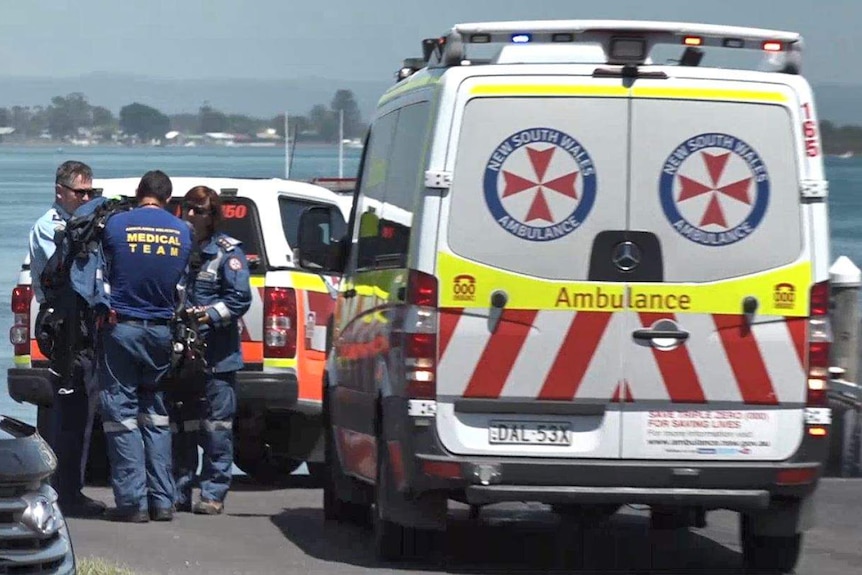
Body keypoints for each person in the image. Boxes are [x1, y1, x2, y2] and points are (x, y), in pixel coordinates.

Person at [97, 170, 192, 522]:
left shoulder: (117, 225)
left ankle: (133, 503)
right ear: (168, 198)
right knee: (156, 415)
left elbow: (101, 272)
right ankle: (163, 501)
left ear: (140, 194)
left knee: (121, 417)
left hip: (122, 328)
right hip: (161, 332)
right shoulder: (182, 231)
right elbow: (183, 284)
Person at [28, 160, 106, 517]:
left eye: (92, 192)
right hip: (65, 326)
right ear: (60, 191)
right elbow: (66, 274)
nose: (87, 198)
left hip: (88, 327)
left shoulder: (86, 225)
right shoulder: (51, 226)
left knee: (85, 412)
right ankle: (66, 494)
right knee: (71, 413)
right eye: (81, 192)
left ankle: (72, 489)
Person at [173, 186, 251, 515]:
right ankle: (179, 491)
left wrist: (208, 314)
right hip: (182, 358)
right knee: (182, 426)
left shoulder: (228, 253)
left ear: (212, 215)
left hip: (218, 357)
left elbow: (239, 300)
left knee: (217, 428)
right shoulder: (176, 250)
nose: (191, 215)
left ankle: (214, 492)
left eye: (199, 210)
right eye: (187, 208)